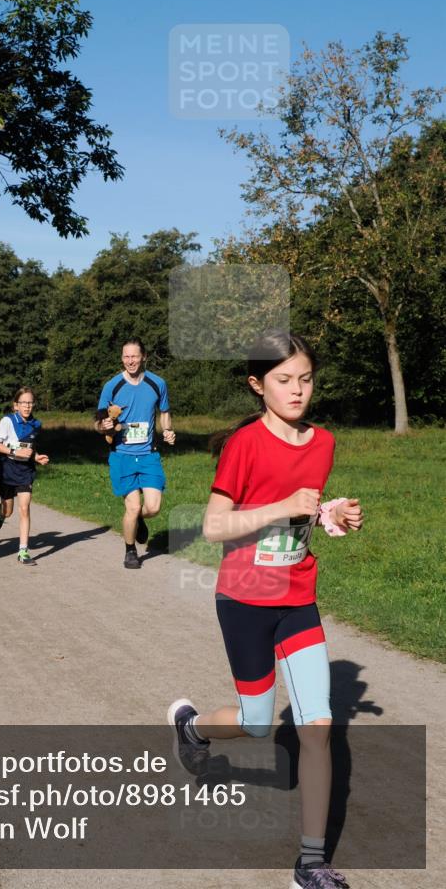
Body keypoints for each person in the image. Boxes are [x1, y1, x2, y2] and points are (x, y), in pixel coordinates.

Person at [166, 330, 363, 889]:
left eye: (305, 378)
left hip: (298, 596)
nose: (297, 390)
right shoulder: (245, 445)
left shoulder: (322, 442)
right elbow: (211, 526)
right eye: (284, 381)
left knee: (318, 726)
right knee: (256, 723)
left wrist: (330, 515)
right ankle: (194, 729)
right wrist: (283, 508)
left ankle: (311, 862)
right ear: (258, 385)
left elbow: (303, 512)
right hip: (245, 598)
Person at [94, 338, 175, 569]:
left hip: (149, 455)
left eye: (134, 356)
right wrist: (104, 427)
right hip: (122, 456)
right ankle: (130, 551)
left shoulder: (157, 383)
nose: (130, 361)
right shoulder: (112, 386)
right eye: (126, 356)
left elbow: (165, 412)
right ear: (122, 358)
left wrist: (168, 430)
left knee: (153, 507)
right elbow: (98, 423)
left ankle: (139, 519)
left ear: (143, 357)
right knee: (132, 506)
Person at [0, 387, 50, 566]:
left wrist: (36, 457)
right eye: (23, 403)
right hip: (7, 469)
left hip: (26, 471)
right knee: (8, 511)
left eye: (30, 402)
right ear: (16, 405)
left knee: (24, 508)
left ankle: (23, 551)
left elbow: (30, 447)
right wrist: (15, 451)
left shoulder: (36, 424)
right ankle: (0, 514)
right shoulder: (7, 421)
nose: (27, 406)